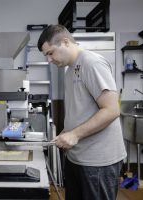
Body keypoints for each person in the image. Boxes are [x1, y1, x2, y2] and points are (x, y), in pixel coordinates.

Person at [37, 24, 127, 200]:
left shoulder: (91, 62)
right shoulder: (70, 70)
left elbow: (112, 109)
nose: (49, 60)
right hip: (77, 157)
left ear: (65, 42)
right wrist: (66, 133)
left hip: (98, 162)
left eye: (50, 53)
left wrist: (75, 135)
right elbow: (80, 111)